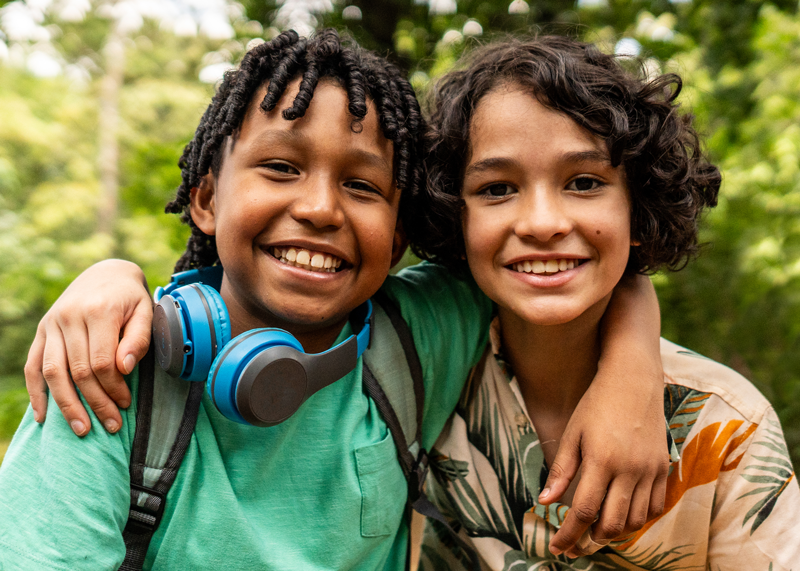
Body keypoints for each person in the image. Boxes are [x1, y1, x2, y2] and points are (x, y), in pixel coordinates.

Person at [2, 30, 667, 570]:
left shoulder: (412, 339)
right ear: (205, 198)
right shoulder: (105, 376)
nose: (320, 208)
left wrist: (633, 372)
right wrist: (111, 272)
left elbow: (561, 259)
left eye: (361, 185)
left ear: (401, 232)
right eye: (281, 168)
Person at [409, 36, 800, 569]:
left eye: (585, 182)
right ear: (455, 213)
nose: (543, 223)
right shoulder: (423, 373)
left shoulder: (728, 427)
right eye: (497, 189)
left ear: (636, 211)